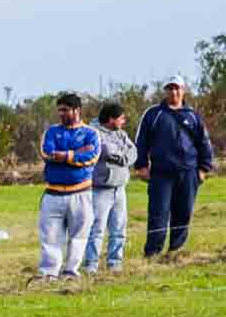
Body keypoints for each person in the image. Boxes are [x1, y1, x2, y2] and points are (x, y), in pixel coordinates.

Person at [134, 75, 215, 258]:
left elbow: (204, 143)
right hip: (161, 173)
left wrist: (203, 169)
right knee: (158, 213)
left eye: (177, 88)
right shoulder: (153, 114)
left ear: (183, 90)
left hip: (188, 173)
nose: (174, 92)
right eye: (170, 88)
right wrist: (141, 166)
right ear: (165, 91)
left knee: (184, 213)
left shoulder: (193, 115)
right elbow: (141, 141)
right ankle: (152, 253)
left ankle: (175, 253)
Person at [36, 93, 100, 280]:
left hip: (81, 194)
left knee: (79, 236)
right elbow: (47, 153)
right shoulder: (52, 132)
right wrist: (74, 154)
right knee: (50, 237)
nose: (61, 114)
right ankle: (49, 273)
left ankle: (71, 271)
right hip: (53, 194)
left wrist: (64, 156)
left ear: (77, 110)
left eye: (65, 110)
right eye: (59, 110)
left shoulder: (91, 133)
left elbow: (91, 158)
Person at [85, 101, 137, 274]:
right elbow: (109, 152)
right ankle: (91, 265)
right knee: (96, 229)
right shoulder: (94, 134)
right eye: (121, 118)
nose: (124, 120)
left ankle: (115, 263)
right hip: (100, 190)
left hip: (119, 189)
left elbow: (133, 152)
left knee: (119, 229)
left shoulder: (120, 133)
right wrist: (123, 154)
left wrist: (124, 154)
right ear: (111, 119)